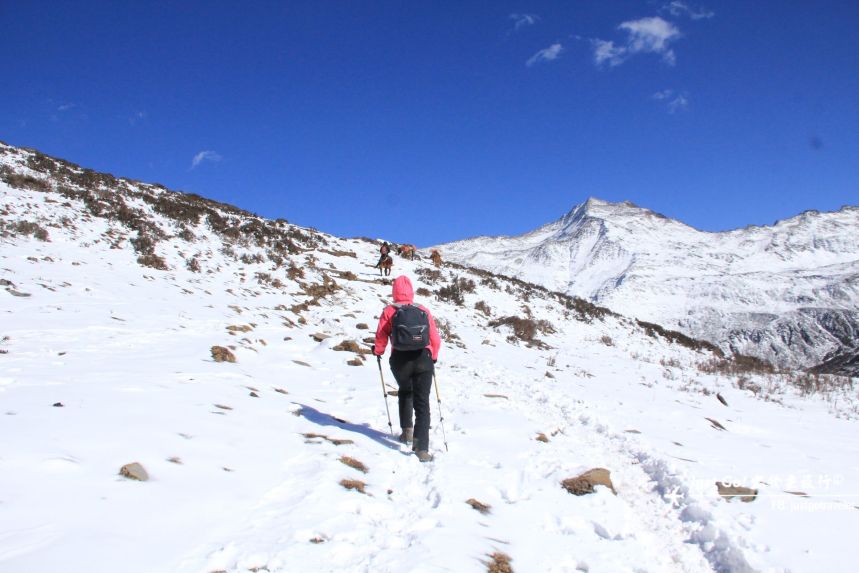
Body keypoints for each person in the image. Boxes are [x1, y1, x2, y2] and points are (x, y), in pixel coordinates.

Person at [373, 275, 441, 462]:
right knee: (422, 402)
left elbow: (381, 336)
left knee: (405, 391)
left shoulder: (389, 311)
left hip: (400, 360)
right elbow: (435, 338)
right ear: (411, 291)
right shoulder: (422, 310)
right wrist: (434, 356)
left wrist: (378, 351)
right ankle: (422, 448)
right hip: (423, 359)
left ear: (394, 291)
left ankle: (407, 432)